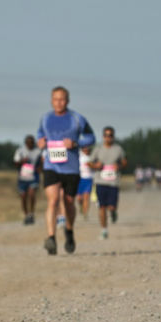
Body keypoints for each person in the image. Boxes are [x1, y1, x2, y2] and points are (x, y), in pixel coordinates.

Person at [37, 86, 95, 255]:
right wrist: (40, 141)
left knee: (69, 203)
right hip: (51, 166)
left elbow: (91, 137)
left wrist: (76, 143)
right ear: (51, 100)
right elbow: (40, 134)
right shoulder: (45, 118)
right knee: (53, 200)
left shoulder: (77, 119)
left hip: (71, 168)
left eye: (62, 99)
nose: (59, 102)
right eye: (55, 99)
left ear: (67, 101)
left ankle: (69, 231)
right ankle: (51, 238)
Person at [89, 126, 126, 240]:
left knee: (111, 206)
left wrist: (119, 166)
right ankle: (104, 230)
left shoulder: (118, 149)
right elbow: (89, 162)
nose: (108, 137)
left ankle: (113, 212)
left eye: (110, 135)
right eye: (106, 135)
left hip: (113, 182)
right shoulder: (98, 149)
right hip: (100, 181)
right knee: (102, 207)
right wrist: (96, 166)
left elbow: (124, 162)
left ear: (113, 137)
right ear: (103, 136)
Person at [13, 135, 42, 224]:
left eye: (32, 143)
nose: (30, 144)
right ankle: (26, 215)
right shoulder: (20, 151)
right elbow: (15, 163)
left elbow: (42, 162)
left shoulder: (38, 151)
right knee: (23, 197)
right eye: (28, 143)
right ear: (25, 143)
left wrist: (40, 168)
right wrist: (22, 161)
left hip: (33, 177)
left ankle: (31, 213)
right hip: (22, 178)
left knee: (32, 194)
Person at [76, 146, 94, 219]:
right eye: (85, 148)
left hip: (88, 179)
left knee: (86, 196)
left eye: (88, 148)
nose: (86, 149)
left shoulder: (92, 156)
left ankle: (85, 213)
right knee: (79, 198)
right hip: (79, 178)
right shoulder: (79, 155)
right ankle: (81, 205)